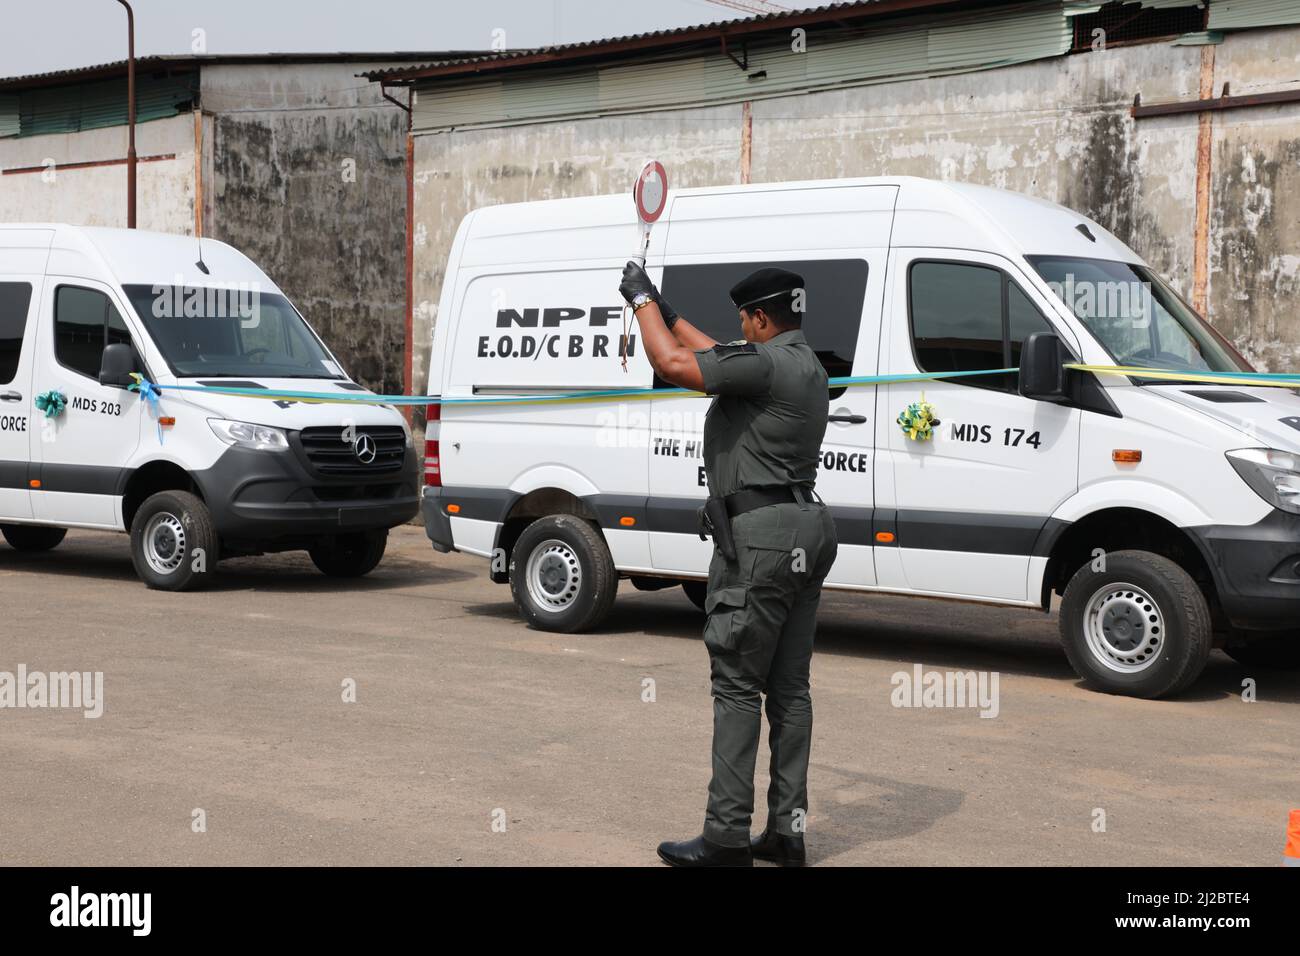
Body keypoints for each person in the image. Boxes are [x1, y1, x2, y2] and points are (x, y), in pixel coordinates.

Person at [618, 262, 839, 867]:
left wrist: (639, 303)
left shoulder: (766, 364)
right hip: (807, 530)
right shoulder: (804, 363)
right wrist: (668, 313)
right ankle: (787, 832)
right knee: (790, 691)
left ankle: (725, 838)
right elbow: (723, 352)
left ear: (762, 318)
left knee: (738, 686)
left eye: (746, 319)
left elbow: (673, 365)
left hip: (762, 539)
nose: (740, 330)